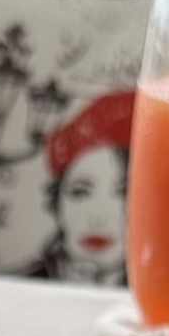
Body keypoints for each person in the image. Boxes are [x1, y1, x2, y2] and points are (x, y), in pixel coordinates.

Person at [31, 90, 134, 284]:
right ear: (57, 201)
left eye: (123, 193)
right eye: (80, 192)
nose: (98, 218)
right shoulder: (20, 286)